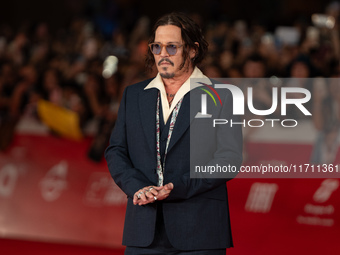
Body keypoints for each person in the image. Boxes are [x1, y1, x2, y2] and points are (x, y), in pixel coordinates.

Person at [105, 12, 243, 254]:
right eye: (157, 47)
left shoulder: (222, 96)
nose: (163, 54)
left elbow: (228, 160)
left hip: (200, 230)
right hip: (143, 228)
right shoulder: (134, 95)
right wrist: (137, 186)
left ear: (192, 50)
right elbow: (116, 150)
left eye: (172, 47)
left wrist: (177, 187)